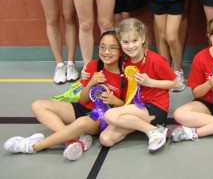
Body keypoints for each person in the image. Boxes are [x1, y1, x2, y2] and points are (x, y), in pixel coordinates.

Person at [4, 31, 126, 160]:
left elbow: (126, 106)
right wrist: (91, 83)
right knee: (38, 105)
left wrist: (114, 100)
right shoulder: (93, 66)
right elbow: (83, 99)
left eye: (112, 48)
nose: (106, 52)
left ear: (121, 51)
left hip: (100, 119)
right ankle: (72, 141)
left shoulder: (125, 76)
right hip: (81, 108)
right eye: (102, 47)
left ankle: (34, 146)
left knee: (80, 123)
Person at [99, 18, 179, 153]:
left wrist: (150, 83)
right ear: (120, 43)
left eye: (134, 41)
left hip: (155, 107)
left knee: (110, 115)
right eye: (125, 42)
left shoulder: (155, 60)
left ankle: (153, 131)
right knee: (105, 139)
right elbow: (104, 63)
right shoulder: (125, 60)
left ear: (142, 39)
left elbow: (175, 83)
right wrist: (87, 72)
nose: (131, 46)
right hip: (135, 107)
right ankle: (148, 127)